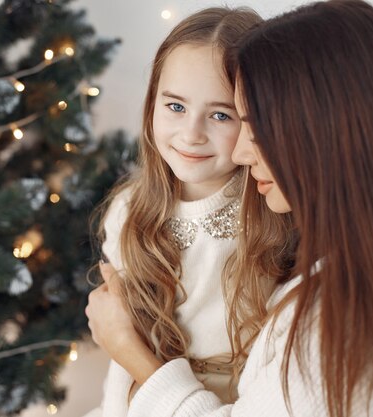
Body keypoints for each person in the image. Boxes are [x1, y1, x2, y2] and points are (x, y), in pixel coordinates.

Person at [86, 1, 373, 416]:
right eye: (175, 106)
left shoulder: (337, 311)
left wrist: (129, 350)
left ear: (322, 133)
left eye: (245, 124)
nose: (240, 152)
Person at [85, 7, 270, 417]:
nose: (191, 134)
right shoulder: (129, 210)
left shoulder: (272, 209)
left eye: (220, 115)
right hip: (140, 398)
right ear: (153, 102)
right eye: (175, 107)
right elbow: (123, 347)